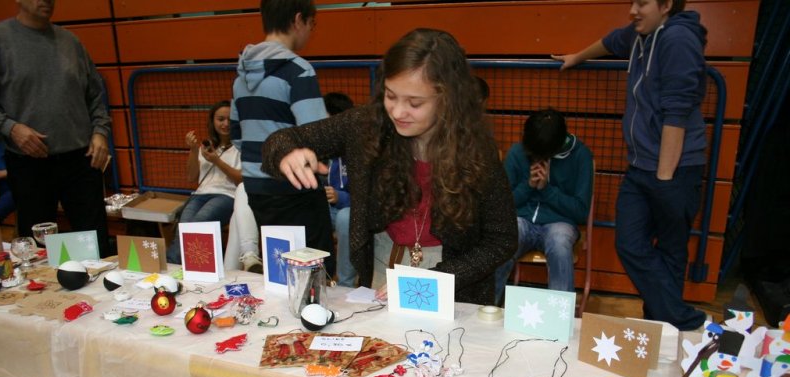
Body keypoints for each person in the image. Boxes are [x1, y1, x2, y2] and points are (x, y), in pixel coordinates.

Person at [262, 28, 517, 308]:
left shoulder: (477, 152)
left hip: (453, 282)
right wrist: (286, 153)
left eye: (415, 103)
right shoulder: (365, 126)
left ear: (448, 99)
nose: (397, 112)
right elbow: (282, 140)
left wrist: (436, 279)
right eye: (390, 96)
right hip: (382, 270)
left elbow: (502, 239)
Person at [553, 0, 708, 331]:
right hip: (640, 167)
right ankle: (678, 319)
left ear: (666, 5)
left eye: (642, 3)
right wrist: (577, 57)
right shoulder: (643, 34)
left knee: (670, 249)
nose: (632, 11)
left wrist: (665, 178)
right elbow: (611, 41)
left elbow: (676, 115)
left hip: (674, 169)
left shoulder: (677, 39)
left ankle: (663, 323)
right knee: (630, 243)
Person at [0, 0, 112, 255]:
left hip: (82, 159)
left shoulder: (71, 42)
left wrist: (100, 132)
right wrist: (10, 128)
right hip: (29, 162)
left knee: (96, 245)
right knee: (37, 251)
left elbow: (95, 96)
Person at [230, 0, 334, 274]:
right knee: (314, 267)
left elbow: (236, 134)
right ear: (299, 20)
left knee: (278, 265)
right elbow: (318, 135)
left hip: (256, 186)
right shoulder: (298, 70)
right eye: (312, 25)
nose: (311, 33)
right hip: (295, 188)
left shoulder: (241, 75)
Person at [494, 109, 593, 305]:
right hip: (521, 219)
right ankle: (486, 306)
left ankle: (559, 316)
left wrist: (547, 190)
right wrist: (528, 186)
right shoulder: (517, 152)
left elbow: (581, 212)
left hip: (560, 223)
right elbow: (501, 205)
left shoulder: (581, 156)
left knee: (559, 243)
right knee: (502, 238)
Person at [167, 101, 241, 264]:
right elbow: (192, 177)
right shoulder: (206, 146)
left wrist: (217, 161)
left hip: (227, 196)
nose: (225, 124)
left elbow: (241, 180)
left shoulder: (241, 147)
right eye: (220, 119)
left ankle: (172, 264)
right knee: (184, 227)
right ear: (213, 121)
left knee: (196, 225)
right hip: (200, 195)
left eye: (230, 119)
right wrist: (193, 151)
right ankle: (177, 267)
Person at [322, 92, 356, 287]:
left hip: (351, 209)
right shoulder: (320, 146)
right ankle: (316, 277)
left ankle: (345, 283)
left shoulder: (361, 147)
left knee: (345, 217)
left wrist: (341, 197)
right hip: (325, 208)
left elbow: (370, 196)